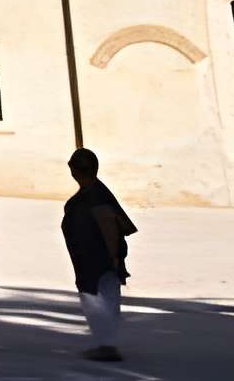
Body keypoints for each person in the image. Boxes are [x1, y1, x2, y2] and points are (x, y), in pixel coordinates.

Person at [60, 146, 137, 363]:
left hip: (97, 259)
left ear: (75, 171)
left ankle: (106, 346)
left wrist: (113, 257)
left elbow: (109, 227)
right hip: (93, 258)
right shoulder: (95, 192)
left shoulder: (94, 196)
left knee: (98, 300)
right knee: (105, 299)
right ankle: (106, 344)